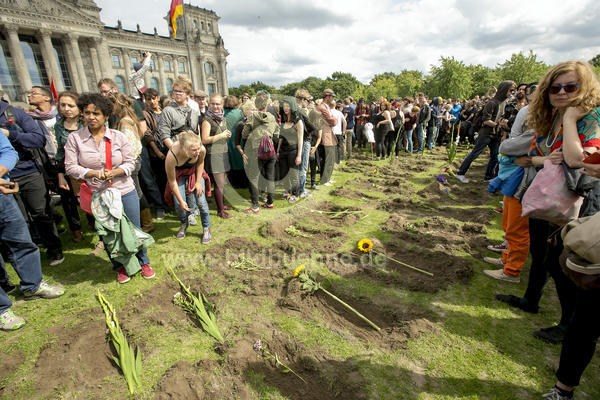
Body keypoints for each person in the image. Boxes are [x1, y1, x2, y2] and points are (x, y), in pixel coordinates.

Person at [497, 61, 600, 347]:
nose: (562, 92)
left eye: (571, 87)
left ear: (585, 88)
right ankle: (531, 299)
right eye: (555, 88)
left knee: (562, 261)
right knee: (540, 252)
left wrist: (569, 121)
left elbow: (579, 160)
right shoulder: (550, 116)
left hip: (573, 198)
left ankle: (568, 323)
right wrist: (541, 159)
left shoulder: (590, 119)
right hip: (545, 194)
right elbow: (533, 154)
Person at [64, 93, 155, 284]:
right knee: (109, 233)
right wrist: (92, 173)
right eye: (87, 113)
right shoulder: (75, 139)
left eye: (96, 113)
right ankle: (120, 267)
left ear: (106, 116)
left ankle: (143, 262)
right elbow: (71, 167)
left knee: (133, 229)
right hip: (98, 195)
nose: (91, 117)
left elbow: (130, 162)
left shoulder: (118, 137)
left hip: (124, 190)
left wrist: (116, 172)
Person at [0, 132, 65, 331]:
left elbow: (8, 152)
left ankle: (33, 284)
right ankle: (2, 309)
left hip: (2, 195)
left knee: (21, 239)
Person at [2, 91, 64, 266]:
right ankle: (25, 258)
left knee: (41, 213)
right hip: (4, 179)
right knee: (16, 220)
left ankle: (54, 250)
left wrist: (10, 134)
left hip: (27, 172)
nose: (30, 95)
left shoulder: (15, 114)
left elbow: (38, 139)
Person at [108, 92, 154, 233]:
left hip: (131, 163)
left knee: (136, 192)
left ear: (117, 104)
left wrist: (125, 164)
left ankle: (146, 223)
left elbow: (130, 146)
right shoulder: (128, 118)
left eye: (111, 104)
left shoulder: (124, 122)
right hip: (133, 161)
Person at [456, 81, 516, 183]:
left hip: (496, 134)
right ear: (504, 89)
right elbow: (486, 120)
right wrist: (498, 125)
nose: (511, 93)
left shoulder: (504, 103)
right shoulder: (492, 103)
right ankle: (460, 173)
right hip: (486, 133)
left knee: (495, 156)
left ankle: (488, 177)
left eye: (513, 91)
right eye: (511, 90)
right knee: (475, 153)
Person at [165, 131, 211, 241]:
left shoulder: (201, 150)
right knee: (179, 204)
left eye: (198, 148)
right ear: (184, 149)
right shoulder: (172, 156)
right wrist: (181, 201)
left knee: (201, 201)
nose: (197, 152)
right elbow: (172, 182)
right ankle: (184, 224)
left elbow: (200, 163)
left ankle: (206, 228)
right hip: (178, 175)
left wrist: (198, 182)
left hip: (194, 172)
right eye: (194, 150)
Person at [240, 94, 279, 212]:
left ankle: (255, 206)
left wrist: (253, 135)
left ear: (256, 104)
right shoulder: (272, 117)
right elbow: (277, 134)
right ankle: (270, 202)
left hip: (256, 151)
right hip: (270, 151)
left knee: (254, 178)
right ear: (267, 104)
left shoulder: (252, 117)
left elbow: (244, 134)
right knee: (270, 177)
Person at [54, 91, 84, 242]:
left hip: (87, 168)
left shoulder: (87, 122)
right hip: (68, 167)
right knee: (69, 201)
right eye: (63, 105)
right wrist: (60, 174)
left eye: (71, 105)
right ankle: (76, 229)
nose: (66, 108)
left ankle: (96, 225)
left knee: (90, 198)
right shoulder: (59, 126)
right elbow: (60, 150)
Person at [201, 93, 233, 219]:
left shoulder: (222, 117)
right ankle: (220, 211)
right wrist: (221, 136)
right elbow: (204, 139)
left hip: (223, 152)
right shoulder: (207, 119)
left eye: (218, 104)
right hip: (213, 155)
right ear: (209, 104)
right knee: (219, 183)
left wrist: (226, 135)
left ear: (222, 105)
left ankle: (222, 205)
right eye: (213, 103)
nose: (215, 106)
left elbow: (222, 133)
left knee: (223, 182)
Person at [276, 98, 303, 203]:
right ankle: (288, 192)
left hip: (293, 151)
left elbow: (300, 139)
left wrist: (299, 155)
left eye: (288, 106)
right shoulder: (283, 120)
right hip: (283, 151)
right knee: (284, 173)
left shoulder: (298, 121)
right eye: (284, 106)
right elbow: (281, 138)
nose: (286, 108)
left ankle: (296, 194)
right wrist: (278, 151)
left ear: (292, 107)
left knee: (293, 174)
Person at [316, 89, 338, 186]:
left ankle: (327, 178)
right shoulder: (322, 107)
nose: (333, 98)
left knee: (330, 159)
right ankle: (324, 180)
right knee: (327, 159)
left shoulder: (326, 106)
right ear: (327, 96)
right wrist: (335, 120)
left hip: (329, 134)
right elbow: (332, 121)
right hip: (326, 135)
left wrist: (333, 119)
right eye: (332, 96)